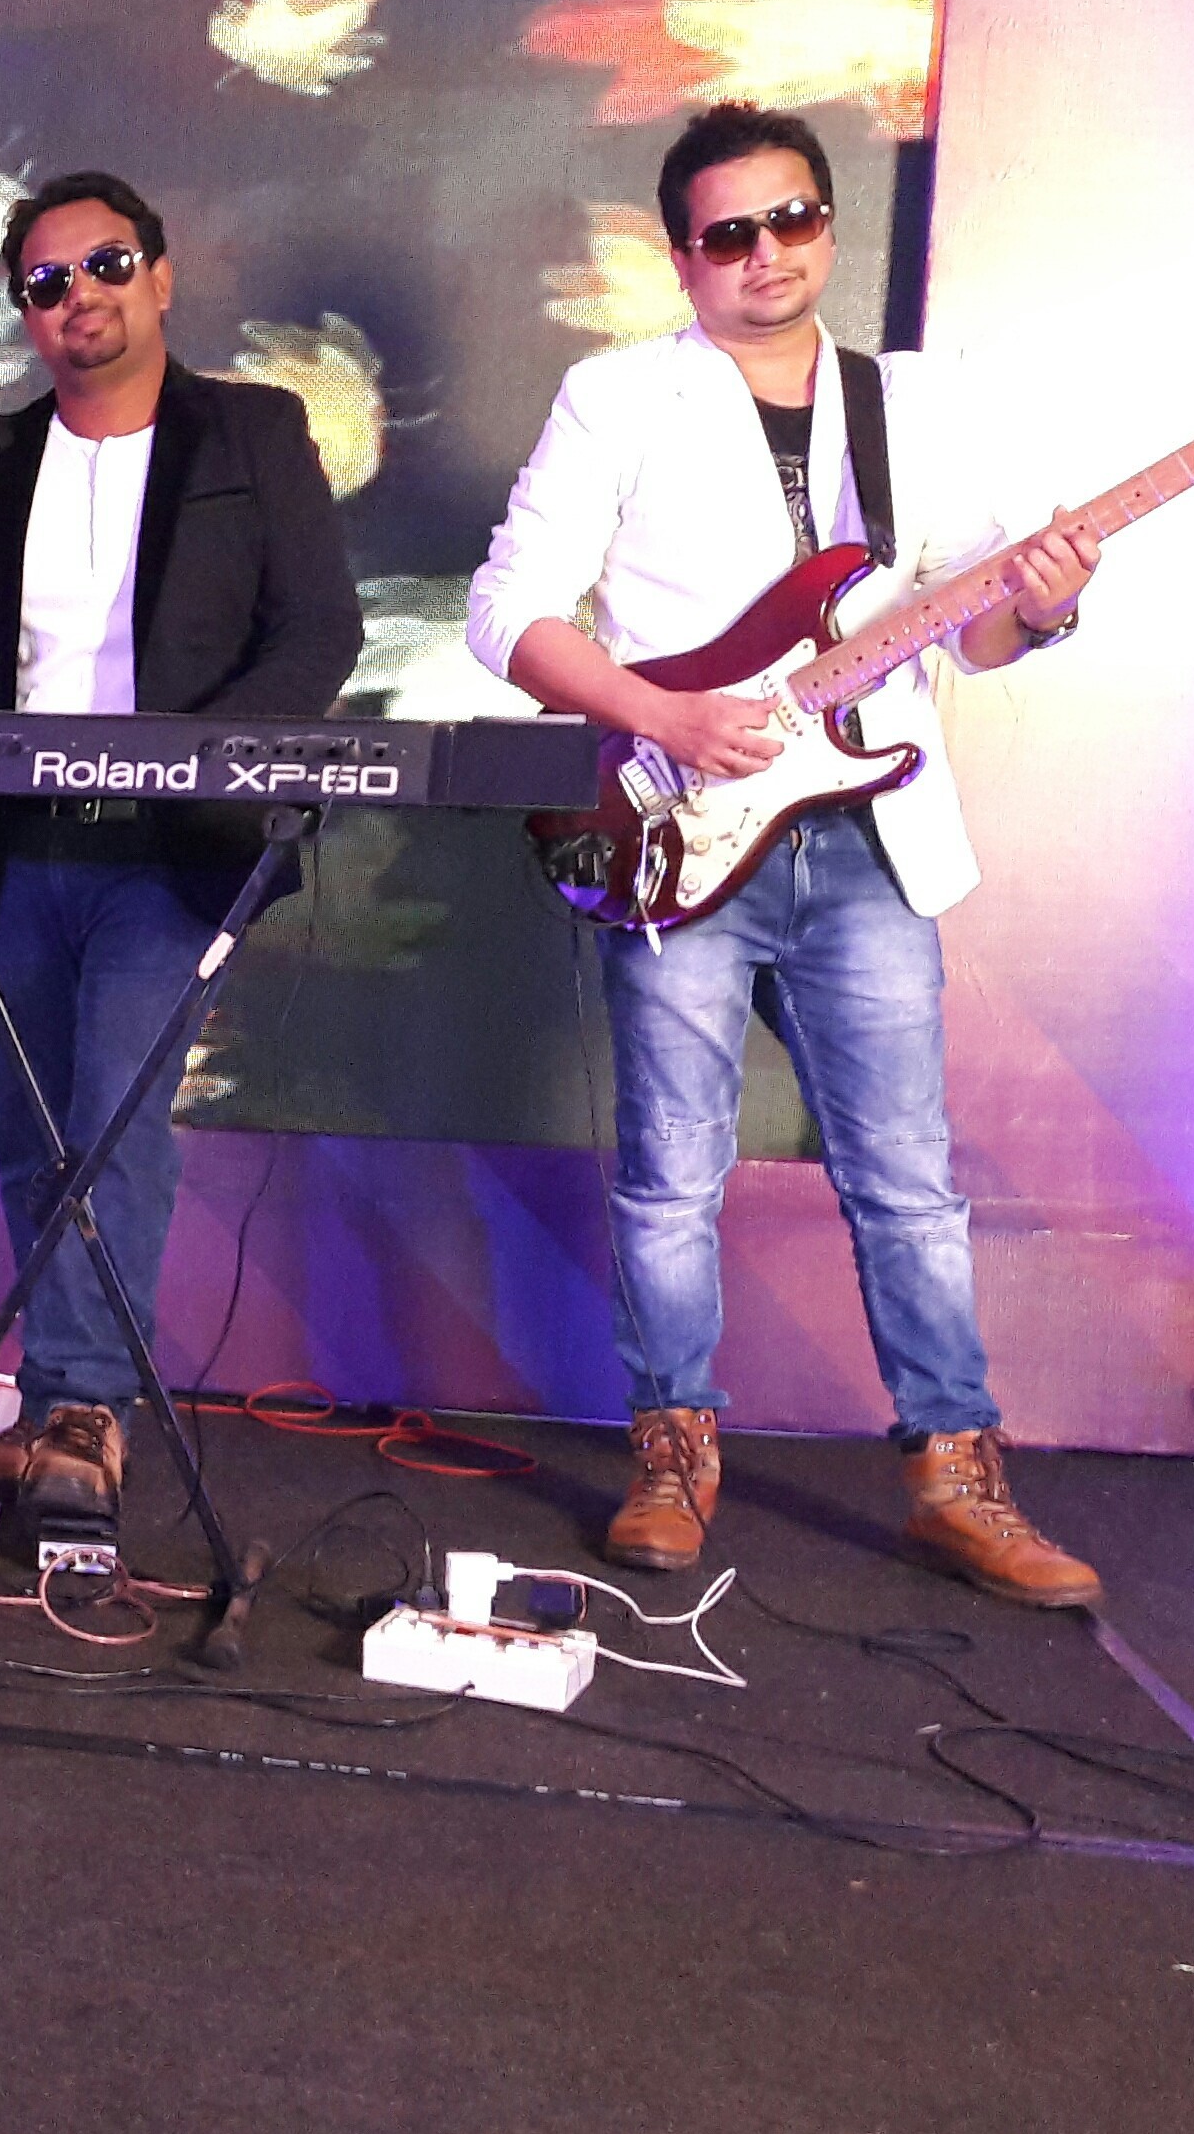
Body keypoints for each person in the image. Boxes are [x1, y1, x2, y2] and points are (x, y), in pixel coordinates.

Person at [465, 101, 1101, 1606]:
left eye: (796, 218)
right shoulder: (616, 396)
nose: (770, 252)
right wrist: (662, 715)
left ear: (830, 222)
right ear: (682, 256)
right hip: (684, 830)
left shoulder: (915, 401)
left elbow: (976, 628)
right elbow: (507, 612)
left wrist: (1048, 603)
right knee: (670, 1176)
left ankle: (955, 1472)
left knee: (906, 1180)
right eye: (732, 232)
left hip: (871, 839)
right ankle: (673, 1452)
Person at [0, 170, 364, 1536]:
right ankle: (57, 1397)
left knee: (114, 1121)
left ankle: (85, 1411)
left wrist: (195, 760)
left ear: (162, 275)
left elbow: (321, 632)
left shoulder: (254, 433)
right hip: (23, 850)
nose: (79, 295)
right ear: (26, 315)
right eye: (46, 282)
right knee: (32, 1131)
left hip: (176, 848)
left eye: (106, 264)